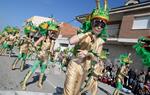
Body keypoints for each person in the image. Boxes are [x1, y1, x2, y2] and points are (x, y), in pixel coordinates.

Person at [63, 0, 109, 95]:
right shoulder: (84, 34)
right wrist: (87, 33)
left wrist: (89, 54)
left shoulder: (100, 41)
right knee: (68, 92)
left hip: (85, 69)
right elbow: (71, 41)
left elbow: (97, 58)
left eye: (102, 24)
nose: (99, 26)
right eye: (97, 23)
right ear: (92, 23)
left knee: (76, 93)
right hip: (75, 65)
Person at [20, 20, 60, 90]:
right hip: (40, 55)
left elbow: (51, 50)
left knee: (42, 71)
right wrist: (38, 51)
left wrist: (52, 53)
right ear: (48, 31)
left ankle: (39, 83)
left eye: (54, 32)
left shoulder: (53, 41)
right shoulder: (43, 37)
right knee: (33, 68)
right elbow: (35, 44)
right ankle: (24, 82)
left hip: (46, 57)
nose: (52, 33)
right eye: (51, 31)